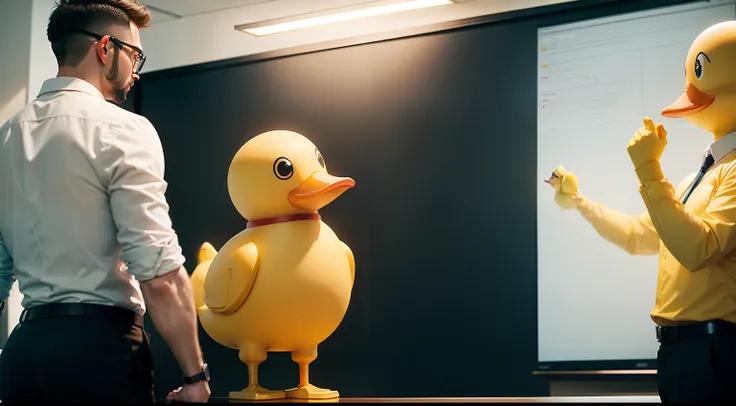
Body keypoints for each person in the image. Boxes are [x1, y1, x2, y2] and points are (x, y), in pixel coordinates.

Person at [0, 0, 210, 402]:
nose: (135, 71)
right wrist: (195, 377)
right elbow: (160, 274)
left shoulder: (7, 136)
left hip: (23, 355)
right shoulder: (123, 129)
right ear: (105, 48)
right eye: (135, 55)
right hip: (100, 355)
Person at [547, 21, 736, 404]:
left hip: (715, 353)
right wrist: (580, 201)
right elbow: (638, 235)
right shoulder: (698, 177)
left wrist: (649, 170)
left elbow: (698, 248)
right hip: (680, 355)